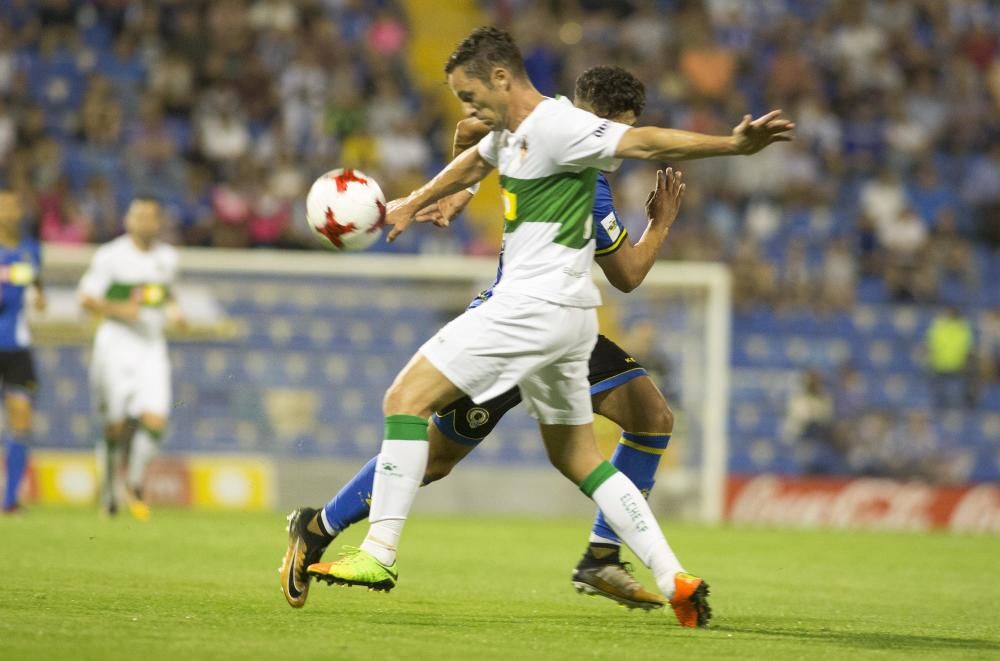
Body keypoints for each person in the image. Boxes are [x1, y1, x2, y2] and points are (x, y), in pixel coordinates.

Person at [292, 27, 791, 628]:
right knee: (575, 457)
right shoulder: (517, 129)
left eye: (471, 97)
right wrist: (418, 200)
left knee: (405, 400)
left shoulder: (563, 127)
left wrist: (732, 147)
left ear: (502, 79)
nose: (467, 112)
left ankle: (377, 553)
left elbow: (646, 143)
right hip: (569, 322)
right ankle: (673, 575)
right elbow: (475, 151)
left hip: (524, 312)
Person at [78, 197, 184, 520]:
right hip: (115, 346)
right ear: (128, 219)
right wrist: (118, 309)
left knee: (156, 420)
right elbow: (86, 298)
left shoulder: (168, 258)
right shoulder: (110, 256)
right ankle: (109, 493)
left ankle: (134, 484)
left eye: (151, 216)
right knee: (115, 426)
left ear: (159, 221)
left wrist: (175, 311)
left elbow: (165, 295)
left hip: (152, 346)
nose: (145, 222)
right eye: (139, 215)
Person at [0, 187, 45, 514]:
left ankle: (11, 499)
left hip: (17, 346)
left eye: (15, 205)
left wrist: (39, 298)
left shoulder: (31, 251)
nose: (10, 212)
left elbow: (36, 289)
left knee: (21, 418)